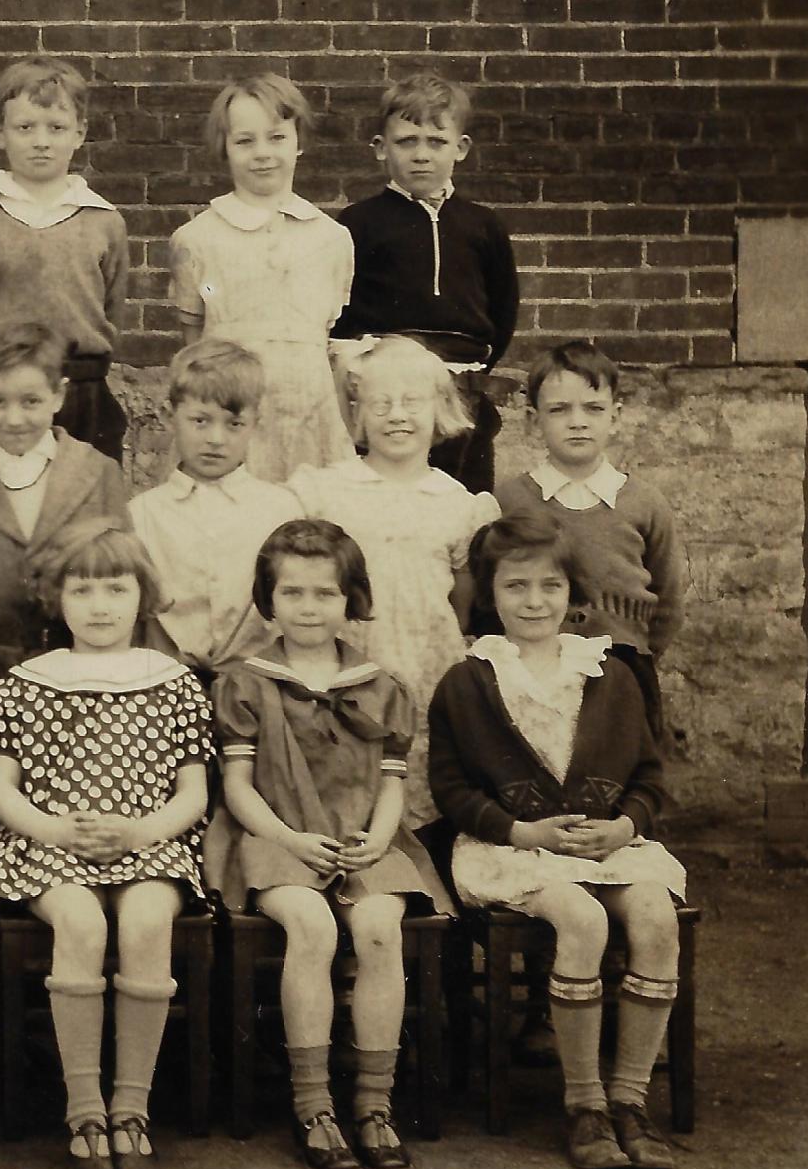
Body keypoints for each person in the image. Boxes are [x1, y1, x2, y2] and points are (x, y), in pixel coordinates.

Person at [431, 512, 685, 1169]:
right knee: (581, 917)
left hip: (605, 843)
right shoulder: (469, 681)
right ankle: (585, 1105)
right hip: (511, 848)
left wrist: (624, 825)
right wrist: (521, 831)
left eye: (550, 586)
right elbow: (452, 788)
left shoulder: (611, 674)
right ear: (491, 595)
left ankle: (631, 1100)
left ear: (574, 594)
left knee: (656, 916)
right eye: (517, 587)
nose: (535, 601)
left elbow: (651, 775)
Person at [0, 523, 211, 1169]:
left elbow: (193, 793)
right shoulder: (27, 682)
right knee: (80, 924)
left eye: (116, 587)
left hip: (150, 841)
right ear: (55, 596)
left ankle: (132, 1111)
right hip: (48, 845)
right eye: (82, 589)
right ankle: (84, 1115)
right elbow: (0, 790)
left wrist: (141, 832)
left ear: (143, 595)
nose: (100, 604)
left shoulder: (174, 682)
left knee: (143, 925)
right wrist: (55, 830)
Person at [205, 520, 450, 1169]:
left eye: (324, 594)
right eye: (292, 593)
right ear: (268, 599)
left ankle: (374, 1103)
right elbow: (236, 789)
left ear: (350, 600)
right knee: (311, 928)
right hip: (274, 835)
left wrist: (375, 837)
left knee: (376, 929)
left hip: (362, 837)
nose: (309, 608)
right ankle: (313, 1105)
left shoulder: (383, 685)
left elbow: (395, 786)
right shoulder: (245, 683)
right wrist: (288, 838)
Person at [0, 320, 129, 897]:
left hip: (67, 655)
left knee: (61, 785)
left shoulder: (97, 473)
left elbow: (120, 569)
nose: (15, 418)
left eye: (32, 401)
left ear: (59, 396)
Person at [291, 336, 501, 835]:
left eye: (412, 402)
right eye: (381, 404)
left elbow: (462, 597)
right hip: (351, 659)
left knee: (420, 777)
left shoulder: (457, 502)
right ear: (359, 415)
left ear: (440, 410)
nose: (396, 416)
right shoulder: (328, 489)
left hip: (424, 660)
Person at [332, 71, 520, 493]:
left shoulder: (482, 225)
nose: (422, 155)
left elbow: (503, 309)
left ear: (461, 148)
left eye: (436, 142)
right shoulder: (358, 223)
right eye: (406, 141)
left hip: (460, 385)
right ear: (381, 149)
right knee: (382, 492)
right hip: (386, 387)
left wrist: (474, 368)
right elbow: (340, 311)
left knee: (464, 497)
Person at [494, 341, 687, 748]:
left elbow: (668, 600)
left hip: (623, 669)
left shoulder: (644, 504)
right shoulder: (508, 502)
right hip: (530, 667)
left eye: (593, 409)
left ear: (615, 417)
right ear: (532, 421)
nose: (577, 422)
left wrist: (636, 655)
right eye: (559, 410)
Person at [167, 72, 355, 482]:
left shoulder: (331, 239)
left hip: (311, 418)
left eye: (276, 137)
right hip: (232, 419)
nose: (262, 154)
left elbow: (322, 333)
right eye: (245, 141)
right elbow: (195, 341)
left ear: (298, 141)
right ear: (225, 149)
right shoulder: (198, 239)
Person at [0, 57, 128, 459]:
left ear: (79, 133)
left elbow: (111, 312)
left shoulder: (104, 222)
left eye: (56, 128)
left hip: (80, 390)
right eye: (25, 127)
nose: (41, 141)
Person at [127, 340, 301, 674]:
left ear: (256, 423)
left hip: (257, 685)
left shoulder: (280, 511)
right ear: (168, 415)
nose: (216, 439)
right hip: (164, 684)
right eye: (200, 421)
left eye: (233, 424)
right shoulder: (142, 514)